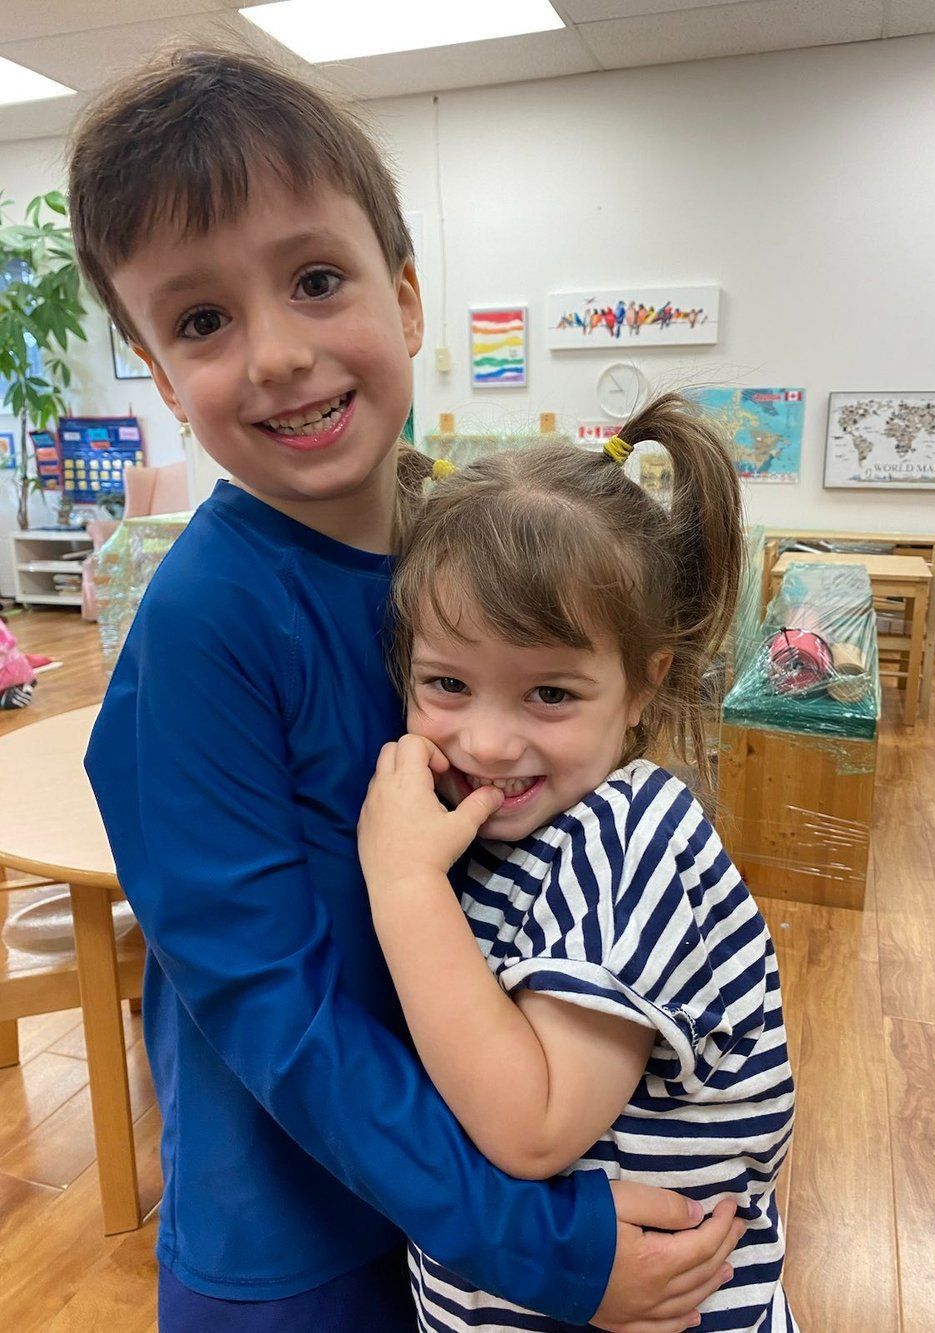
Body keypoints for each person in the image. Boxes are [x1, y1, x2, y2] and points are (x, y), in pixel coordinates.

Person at [70, 47, 743, 1333]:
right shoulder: (203, 629)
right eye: (201, 321)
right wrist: (537, 1245)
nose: (274, 354)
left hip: (466, 1192)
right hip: (300, 1240)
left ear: (408, 295)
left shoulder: (460, 545)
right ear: (159, 377)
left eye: (316, 281)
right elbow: (272, 1005)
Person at [358, 395, 798, 1332]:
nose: (486, 739)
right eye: (446, 683)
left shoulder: (635, 836)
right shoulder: (483, 827)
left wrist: (399, 882)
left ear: (645, 684)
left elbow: (535, 1123)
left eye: (549, 692)